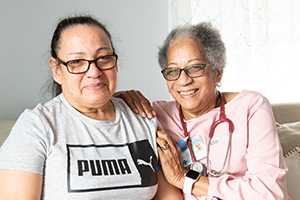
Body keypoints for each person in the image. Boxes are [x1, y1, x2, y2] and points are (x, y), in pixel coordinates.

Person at [0, 15, 182, 200]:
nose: (94, 72)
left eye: (103, 58)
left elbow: (168, 196)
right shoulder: (36, 126)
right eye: (76, 62)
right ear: (56, 70)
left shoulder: (142, 118)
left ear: (115, 63)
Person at [116, 22, 291, 199]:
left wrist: (184, 180)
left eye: (194, 68)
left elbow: (270, 194)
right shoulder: (155, 115)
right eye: (173, 71)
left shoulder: (251, 106)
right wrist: (121, 97)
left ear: (218, 72)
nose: (183, 80)